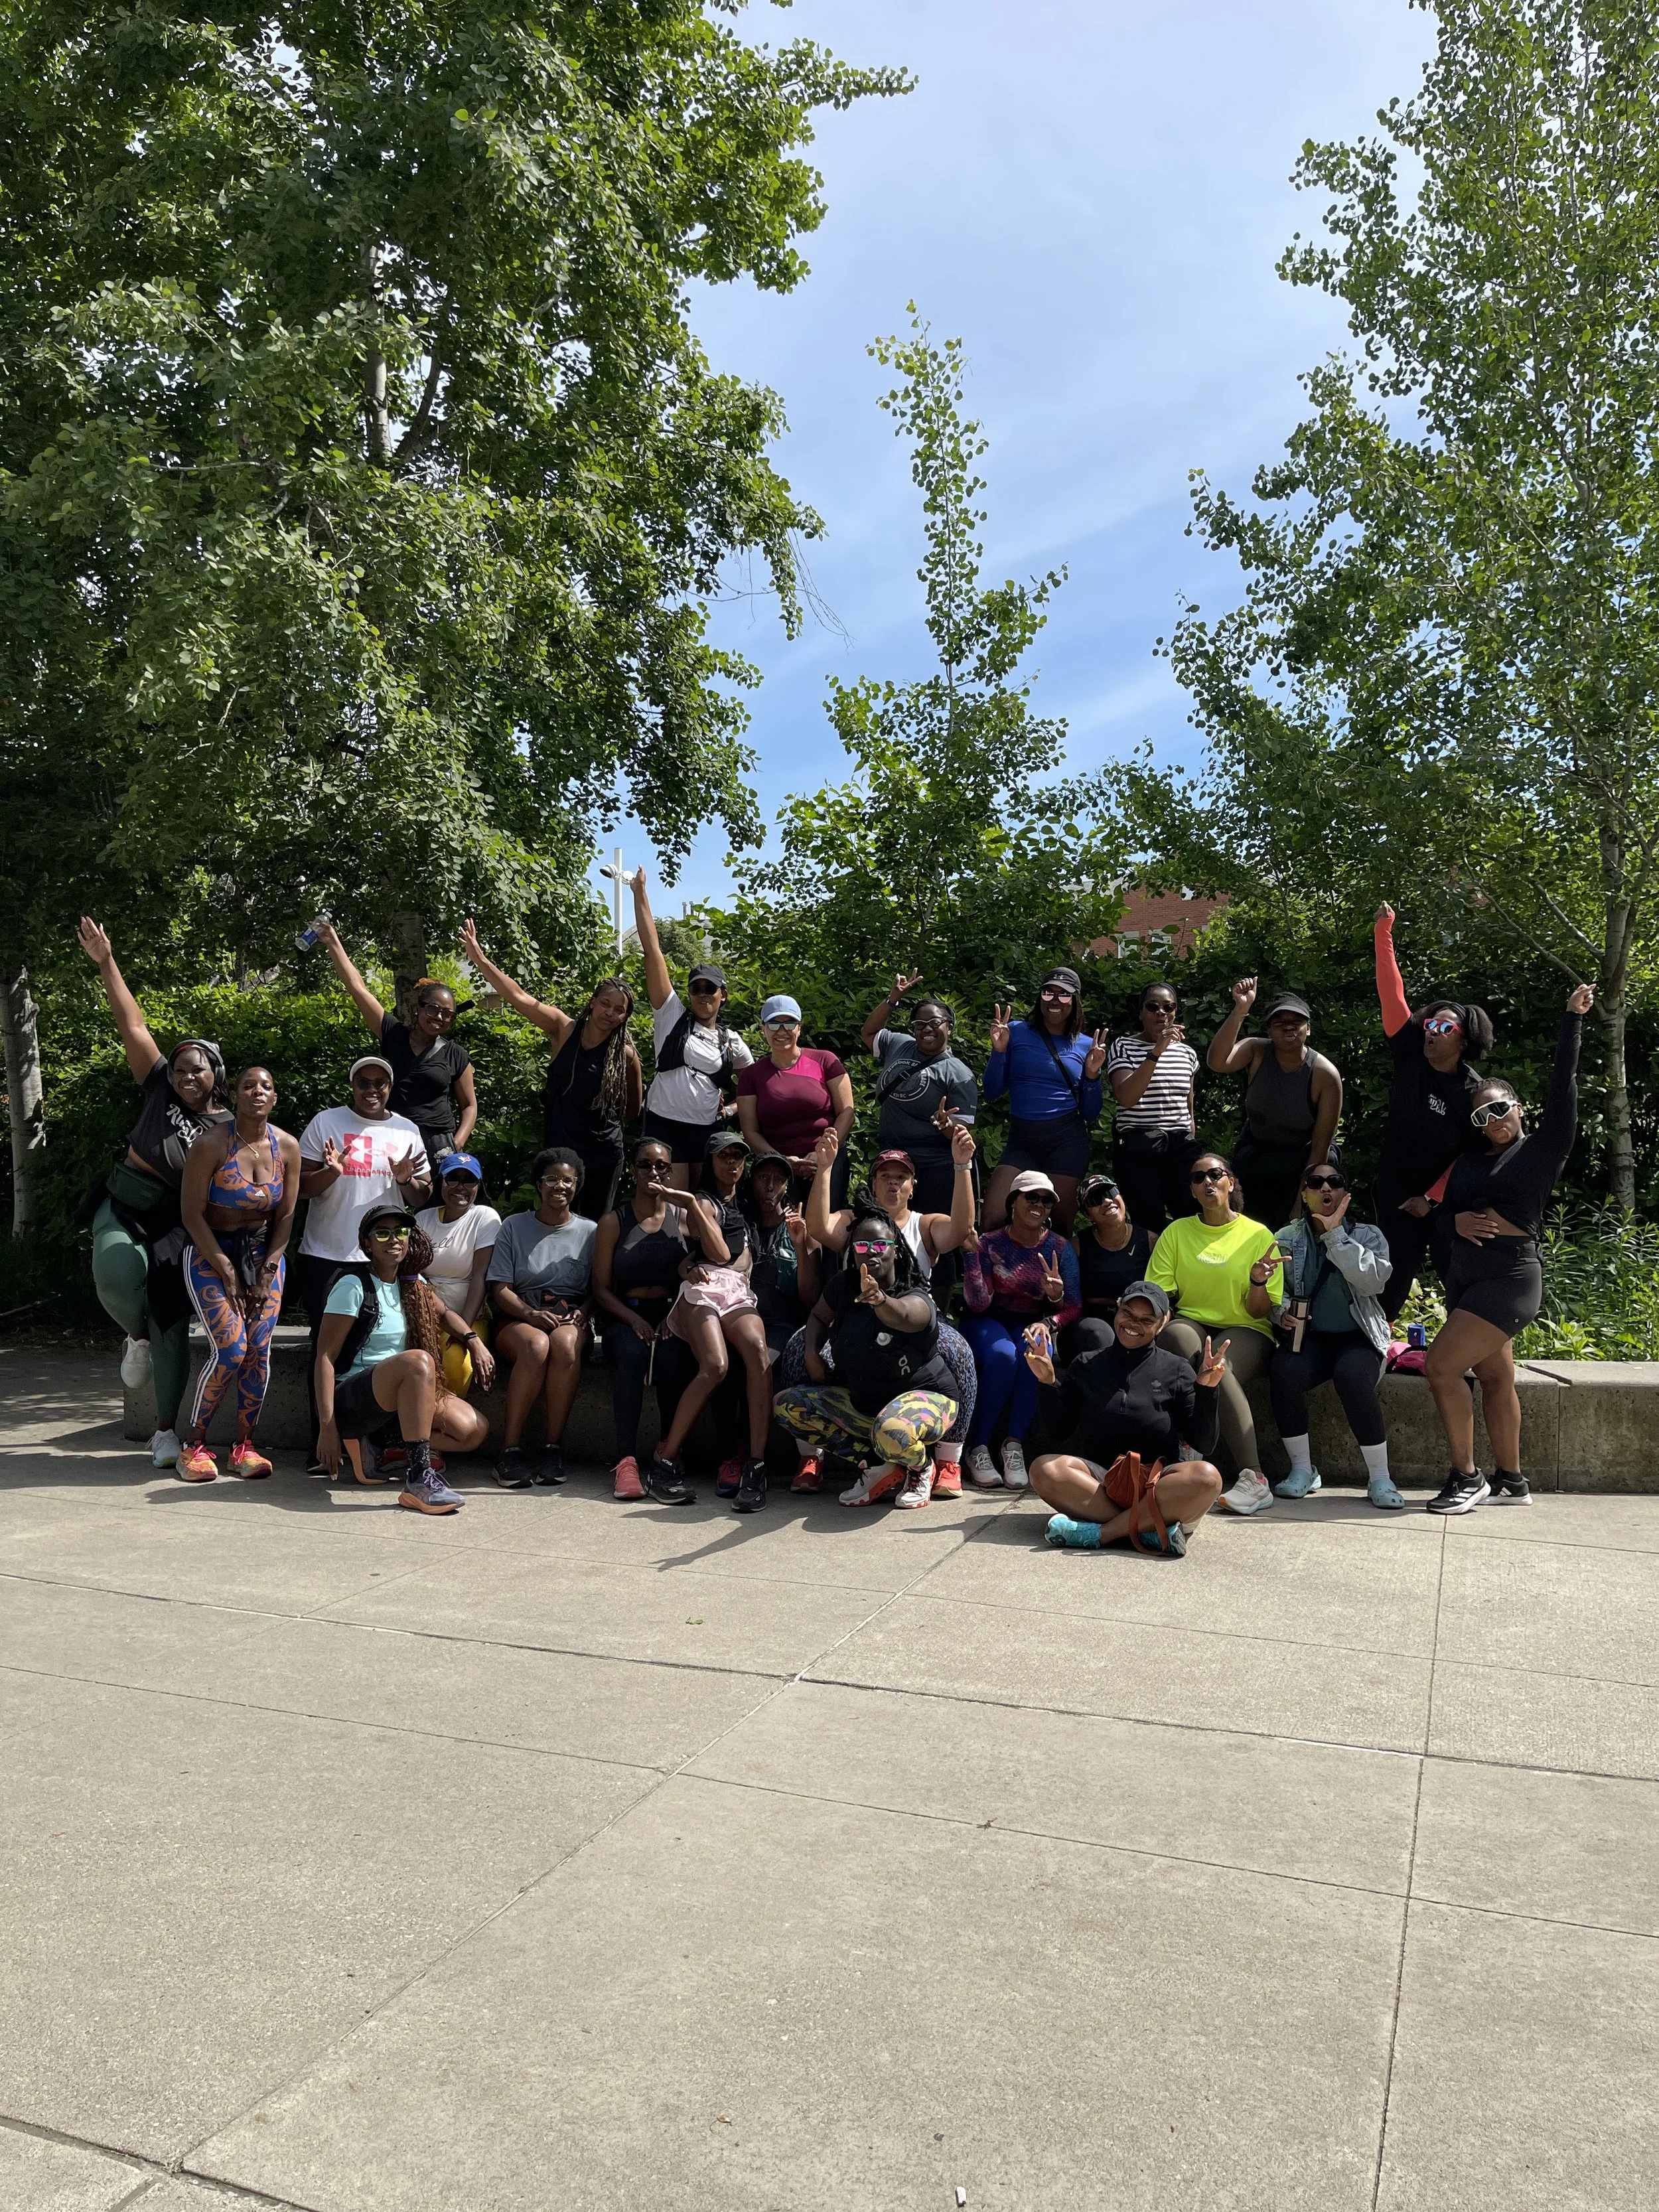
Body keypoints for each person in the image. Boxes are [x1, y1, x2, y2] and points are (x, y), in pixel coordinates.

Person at [1425, 984, 1595, 1514]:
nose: (1493, 1122)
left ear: (1517, 1107)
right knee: (1495, 1376)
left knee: (1440, 1368)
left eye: (1499, 1109)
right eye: (1481, 1117)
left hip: (1508, 1280)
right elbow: (1442, 1214)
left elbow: (1563, 1085)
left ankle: (1466, 1475)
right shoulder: (1473, 1161)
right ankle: (1512, 1479)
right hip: (1467, 1279)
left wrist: (1572, 1020)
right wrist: (1454, 1218)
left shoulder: (1541, 1150)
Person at [74, 919, 232, 1467]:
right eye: (182, 1066)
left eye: (200, 1067)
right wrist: (106, 961)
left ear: (217, 1075)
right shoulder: (158, 1086)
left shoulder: (229, 1126)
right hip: (126, 1204)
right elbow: (133, 1023)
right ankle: (133, 1334)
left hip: (178, 1224)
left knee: (173, 1324)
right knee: (116, 1274)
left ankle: (167, 1430)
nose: (189, 1074)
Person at [804, 1124, 979, 1505]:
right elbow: (818, 1228)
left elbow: (962, 1228)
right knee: (798, 1351)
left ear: (913, 1186)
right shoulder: (854, 1221)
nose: (894, 1184)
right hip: (855, 1327)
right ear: (873, 1183)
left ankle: (949, 1460)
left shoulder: (925, 1224)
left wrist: (962, 1167)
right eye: (885, 1177)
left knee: (961, 1356)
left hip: (913, 1324)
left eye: (902, 1177)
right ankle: (811, 1457)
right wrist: (825, 1168)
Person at [313, 1200, 494, 1514]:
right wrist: (327, 1428)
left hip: (399, 1396)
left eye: (400, 1231)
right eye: (382, 1234)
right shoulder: (353, 1285)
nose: (393, 1239)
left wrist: (473, 1340)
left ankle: (386, 1445)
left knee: (473, 1430)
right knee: (419, 1361)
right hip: (355, 1397)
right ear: (367, 1243)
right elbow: (325, 1358)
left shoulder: (413, 1284)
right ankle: (419, 1477)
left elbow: (446, 1314)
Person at [774, 1206, 960, 1509]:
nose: (871, 1252)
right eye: (862, 1245)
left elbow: (904, 1317)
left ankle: (921, 1468)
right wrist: (811, 1353)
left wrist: (880, 1300)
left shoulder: (914, 1294)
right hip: (867, 1405)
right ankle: (877, 1465)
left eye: (880, 1245)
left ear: (895, 1250)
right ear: (853, 1251)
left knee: (892, 1431)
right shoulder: (843, 1285)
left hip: (928, 1399)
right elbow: (819, 1317)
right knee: (788, 1406)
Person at [1022, 1284, 1226, 1555]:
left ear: (1163, 1323)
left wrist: (1207, 1391)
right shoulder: (1086, 1364)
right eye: (1127, 1313)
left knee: (1208, 1478)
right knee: (1043, 1470)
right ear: (1117, 1309)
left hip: (1158, 1482)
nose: (1133, 1324)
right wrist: (1047, 1382)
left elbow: (1203, 1442)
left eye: (1146, 1320)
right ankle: (1150, 1528)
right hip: (1100, 1484)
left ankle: (1104, 1533)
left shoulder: (1177, 1369)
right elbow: (1057, 1432)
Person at [295, 1057, 431, 1464]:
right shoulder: (326, 1122)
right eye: (364, 1082)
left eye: (380, 1083)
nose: (372, 1090)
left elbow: (422, 1199)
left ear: (391, 1087)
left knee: (387, 1346)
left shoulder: (407, 1130)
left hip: (384, 1252)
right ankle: (324, 1443)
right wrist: (331, 1173)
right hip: (327, 1253)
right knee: (326, 1351)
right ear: (352, 1085)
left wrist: (407, 1180)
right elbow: (301, 1187)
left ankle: (376, 1442)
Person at [457, 921, 642, 1218]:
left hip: (603, 1156)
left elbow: (632, 1110)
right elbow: (519, 997)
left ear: (625, 1017)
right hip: (561, 1152)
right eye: (605, 1003)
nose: (610, 1012)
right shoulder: (563, 1029)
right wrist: (479, 958)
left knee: (593, 1228)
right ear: (593, 1003)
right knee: (556, 1218)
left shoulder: (625, 1056)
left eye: (619, 1009)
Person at [175, 1067, 302, 1481]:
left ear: (275, 1097)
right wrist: (224, 1266)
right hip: (211, 1252)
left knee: (257, 1352)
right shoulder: (212, 1144)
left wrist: (267, 1270)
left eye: (266, 1085)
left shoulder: (287, 1147)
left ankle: (244, 1445)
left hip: (265, 1254)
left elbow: (286, 1218)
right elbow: (191, 1214)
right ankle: (193, 1444)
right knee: (230, 1349)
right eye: (249, 1086)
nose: (257, 1092)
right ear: (235, 1095)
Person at [1372, 902, 1495, 1321]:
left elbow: (1473, 1156)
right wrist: (1383, 932)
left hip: (1447, 1197)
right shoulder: (1410, 1052)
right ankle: (1376, 1348)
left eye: (1445, 1029)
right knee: (1393, 1271)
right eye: (1430, 1025)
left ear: (1464, 1041)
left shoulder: (1472, 1091)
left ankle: (1465, 1353)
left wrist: (1431, 1199)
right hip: (1395, 1184)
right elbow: (1393, 992)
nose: (1432, 1033)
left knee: (1454, 1273)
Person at [591, 1137, 729, 1502]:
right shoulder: (613, 1221)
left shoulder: (682, 1216)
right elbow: (601, 1289)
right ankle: (626, 1461)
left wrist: (688, 1203)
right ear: (633, 1171)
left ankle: (668, 1451)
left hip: (675, 1314)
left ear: (671, 1171)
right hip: (626, 1314)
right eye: (646, 1165)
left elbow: (720, 1254)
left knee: (673, 1360)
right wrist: (633, 1320)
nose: (654, 1172)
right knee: (632, 1356)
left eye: (662, 1166)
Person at [1147, 1151, 1285, 1516]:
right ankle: (1192, 1447)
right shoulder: (1177, 1232)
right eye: (1198, 1178)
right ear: (1192, 1191)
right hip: (1194, 1322)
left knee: (1217, 1364)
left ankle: (1254, 1478)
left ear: (1231, 1183)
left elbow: (1260, 1311)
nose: (1207, 1182)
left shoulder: (1258, 1235)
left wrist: (1258, 1281)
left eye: (1216, 1174)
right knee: (1177, 1336)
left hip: (1246, 1328)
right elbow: (1159, 1296)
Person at [1267, 1165, 1402, 1511]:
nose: (1325, 1188)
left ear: (1345, 1194)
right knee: (1283, 1371)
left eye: (1335, 1182)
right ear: (1304, 1194)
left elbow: (1374, 1283)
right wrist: (1280, 1312)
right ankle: (1302, 1471)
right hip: (1311, 1339)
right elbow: (1274, 1292)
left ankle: (1380, 1478)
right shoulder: (1284, 1238)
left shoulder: (1369, 1236)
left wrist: (1335, 1236)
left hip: (1360, 1336)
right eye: (1315, 1182)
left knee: (1353, 1377)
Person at [661, 1129, 776, 1512]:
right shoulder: (704, 1202)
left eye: (739, 1156)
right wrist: (692, 1204)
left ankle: (756, 1466)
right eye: (724, 1156)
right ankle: (664, 1459)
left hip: (738, 1291)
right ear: (710, 1161)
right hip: (705, 1285)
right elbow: (720, 1252)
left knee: (758, 1351)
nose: (733, 1163)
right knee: (715, 1365)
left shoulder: (745, 1200)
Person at [315, 921, 476, 1168]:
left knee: (438, 1204)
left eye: (447, 1014)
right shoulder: (393, 1034)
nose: (439, 1017)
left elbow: (469, 1106)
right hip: (392, 1135)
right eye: (433, 1009)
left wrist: (456, 1144)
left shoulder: (456, 1054)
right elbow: (359, 990)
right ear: (418, 1009)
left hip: (438, 1143)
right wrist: (333, 942)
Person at [958, 1170, 1082, 1491]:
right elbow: (977, 1304)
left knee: (1036, 1354)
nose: (1039, 1205)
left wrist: (1052, 1309)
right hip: (987, 1320)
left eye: (1047, 1201)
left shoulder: (1059, 1248)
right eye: (1032, 1197)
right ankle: (979, 1447)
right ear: (1014, 1201)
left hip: (1033, 1322)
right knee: (1003, 1357)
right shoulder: (990, 1243)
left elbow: (1073, 1306)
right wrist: (972, 1256)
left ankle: (1014, 1446)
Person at [630, 867, 753, 1187]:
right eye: (696, 989)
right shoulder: (670, 1015)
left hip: (706, 1131)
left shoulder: (732, 1041)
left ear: (722, 995)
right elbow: (652, 952)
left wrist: (730, 1112)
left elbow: (757, 1087)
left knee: (700, 1207)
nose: (702, 995)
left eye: (709, 989)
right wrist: (640, 893)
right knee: (669, 1206)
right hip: (663, 1124)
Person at [486, 1148, 597, 1490]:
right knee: (535, 1346)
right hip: (519, 1316)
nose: (559, 1186)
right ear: (538, 1184)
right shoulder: (513, 1227)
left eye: (567, 1180)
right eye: (551, 1179)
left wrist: (586, 1310)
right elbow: (500, 1290)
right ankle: (509, 1451)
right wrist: (529, 1314)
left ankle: (552, 1449)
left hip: (570, 1318)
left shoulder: (592, 1232)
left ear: (577, 1186)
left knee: (563, 1344)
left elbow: (601, 1288)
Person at [1206, 979, 1343, 1234]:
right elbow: (1217, 1061)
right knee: (1252, 1228)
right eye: (1280, 1023)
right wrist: (1241, 1009)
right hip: (1259, 1155)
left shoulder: (1324, 1074)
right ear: (1269, 1030)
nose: (1289, 1028)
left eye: (1296, 1022)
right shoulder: (1256, 1051)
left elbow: (1321, 1145)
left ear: (1308, 1029)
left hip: (1303, 1159)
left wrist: (1302, 1201)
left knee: (1299, 1225)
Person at [981, 969, 1109, 1229]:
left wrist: (1093, 1075)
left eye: (1064, 995)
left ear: (1075, 1001)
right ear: (1040, 997)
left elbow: (1091, 1113)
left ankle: (1051, 1272)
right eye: (1049, 992)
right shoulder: (1015, 1031)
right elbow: (992, 1091)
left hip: (1066, 1143)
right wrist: (999, 1051)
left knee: (1058, 1229)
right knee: (993, 1220)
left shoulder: (1086, 1045)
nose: (1055, 1000)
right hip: (1022, 1142)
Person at [860, 977, 979, 1219]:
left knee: (932, 1236)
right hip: (892, 1161)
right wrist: (893, 999)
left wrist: (947, 1125)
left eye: (935, 1022)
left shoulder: (959, 1073)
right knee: (887, 1230)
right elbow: (869, 1032)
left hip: (934, 1167)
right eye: (919, 1024)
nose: (926, 1028)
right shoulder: (899, 1044)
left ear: (949, 1027)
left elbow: (962, 1136)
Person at [735, 995, 854, 1200]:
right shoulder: (751, 1076)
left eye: (789, 1023)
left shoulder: (826, 1060)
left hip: (828, 1160)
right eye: (774, 1024)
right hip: (777, 1166)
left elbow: (847, 1113)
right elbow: (750, 1131)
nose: (782, 1031)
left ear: (799, 1028)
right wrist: (781, 1161)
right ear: (763, 1028)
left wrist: (822, 1154)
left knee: (826, 1227)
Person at [1106, 982, 1202, 1233]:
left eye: (1168, 1007)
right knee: (1147, 1225)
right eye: (1153, 1007)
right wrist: (1156, 1051)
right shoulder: (1123, 1046)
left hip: (1180, 1149)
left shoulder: (1188, 1054)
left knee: (1190, 1221)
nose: (1161, 1012)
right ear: (1141, 1012)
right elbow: (1126, 1097)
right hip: (1140, 1149)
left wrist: (1191, 1131)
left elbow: (1188, 1100)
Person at [414, 1153, 502, 1395]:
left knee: (455, 1363)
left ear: (478, 1186)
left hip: (470, 1318)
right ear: (441, 1182)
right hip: (428, 1316)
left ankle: (446, 1427)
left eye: (469, 1181)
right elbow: (413, 1276)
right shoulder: (422, 1219)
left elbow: (480, 1277)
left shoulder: (485, 1218)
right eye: (453, 1179)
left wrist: (465, 1331)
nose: (460, 1187)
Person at [1065, 1171, 1156, 1361]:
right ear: (1087, 1214)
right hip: (1090, 1325)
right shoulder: (1076, 1246)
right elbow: (1068, 1302)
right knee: (1100, 1336)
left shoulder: (1150, 1241)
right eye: (1095, 1200)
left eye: (1111, 1192)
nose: (1107, 1201)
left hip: (1137, 1319)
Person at [745, 1153, 821, 1361]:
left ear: (787, 1186)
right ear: (752, 1182)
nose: (770, 1187)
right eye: (763, 1178)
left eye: (779, 1180)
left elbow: (811, 1299)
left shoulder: (802, 1231)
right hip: (740, 1318)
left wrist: (799, 1246)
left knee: (762, 1361)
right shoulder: (739, 1223)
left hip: (781, 1323)